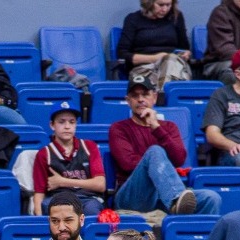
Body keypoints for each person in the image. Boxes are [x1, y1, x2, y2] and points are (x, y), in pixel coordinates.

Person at [110, 77, 220, 215]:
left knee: (211, 198)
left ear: (154, 97)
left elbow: (179, 159)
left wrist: (156, 127)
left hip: (163, 194)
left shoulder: (169, 127)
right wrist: (154, 160)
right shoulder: (118, 128)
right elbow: (127, 164)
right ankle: (177, 200)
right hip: (133, 196)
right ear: (128, 101)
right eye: (135, 96)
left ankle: (190, 230)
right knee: (154, 152)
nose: (140, 99)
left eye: (145, 94)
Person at [31, 103, 105, 217]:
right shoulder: (44, 154)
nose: (67, 126)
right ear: (52, 125)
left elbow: (100, 184)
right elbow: (39, 193)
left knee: (91, 210)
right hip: (58, 199)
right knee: (49, 207)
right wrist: (39, 221)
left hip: (87, 199)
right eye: (61, 122)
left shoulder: (89, 147)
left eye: (72, 122)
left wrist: (62, 181)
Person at [117, 0, 193, 90]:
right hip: (145, 68)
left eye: (168, 5)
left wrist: (186, 54)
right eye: (160, 5)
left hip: (174, 66)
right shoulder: (133, 19)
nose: (165, 9)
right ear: (149, 3)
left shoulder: (176, 17)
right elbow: (122, 54)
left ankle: (161, 95)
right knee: (170, 68)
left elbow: (184, 48)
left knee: (171, 61)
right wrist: (156, 58)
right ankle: (165, 95)